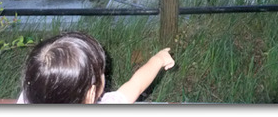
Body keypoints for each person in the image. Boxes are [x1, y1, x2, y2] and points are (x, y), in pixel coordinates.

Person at [17, 31, 175, 104]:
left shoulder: (29, 97)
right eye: (101, 73)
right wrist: (159, 59)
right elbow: (135, 86)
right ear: (91, 94)